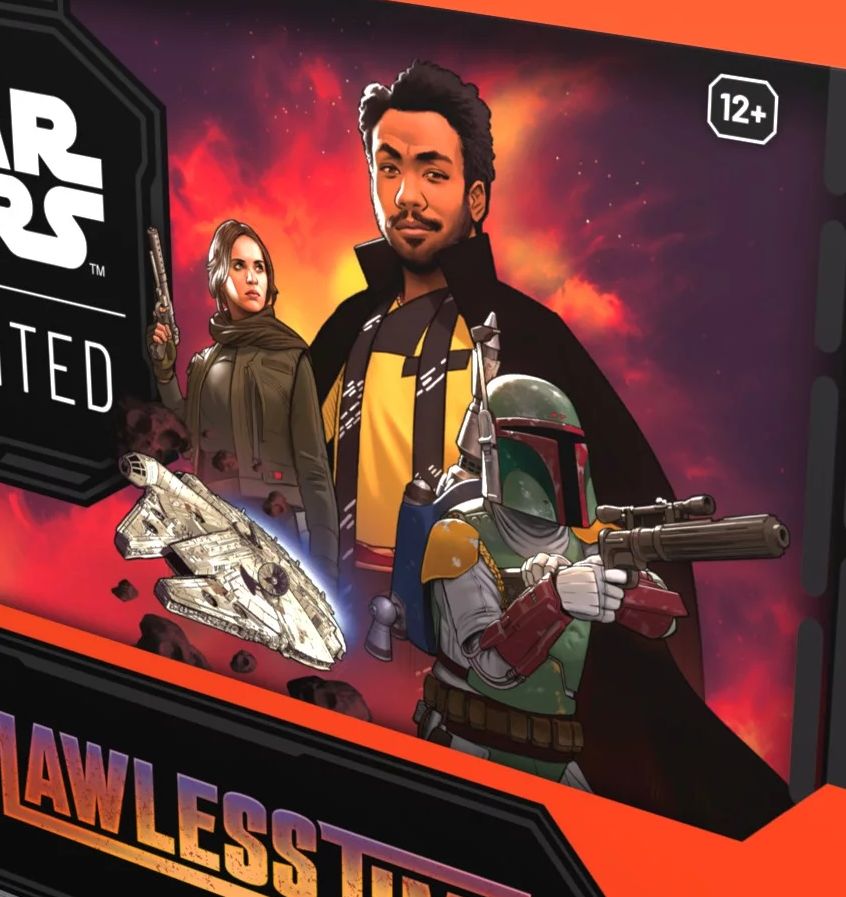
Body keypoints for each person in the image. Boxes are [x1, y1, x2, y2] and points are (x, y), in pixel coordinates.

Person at [309, 59, 790, 837]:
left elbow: (591, 501)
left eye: (433, 172)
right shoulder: (344, 333)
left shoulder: (527, 340)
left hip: (488, 651)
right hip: (338, 632)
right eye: (389, 168)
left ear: (475, 197)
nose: (406, 195)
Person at [415, 375, 683, 788]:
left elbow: (665, 619)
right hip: (468, 741)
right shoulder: (459, 535)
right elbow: (492, 666)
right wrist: (553, 599)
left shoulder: (588, 540)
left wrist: (621, 591)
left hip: (555, 755)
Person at [147, 220, 337, 574]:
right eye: (239, 265)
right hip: (213, 521)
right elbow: (188, 440)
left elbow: (313, 468)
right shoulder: (203, 363)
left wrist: (326, 565)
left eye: (259, 267)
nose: (252, 278)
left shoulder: (291, 357)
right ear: (220, 277)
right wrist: (165, 373)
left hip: (279, 525)